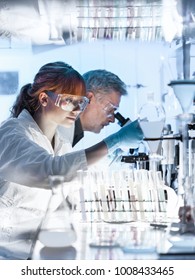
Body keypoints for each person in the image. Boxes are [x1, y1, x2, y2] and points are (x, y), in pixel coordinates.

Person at [0, 61, 143, 259]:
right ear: (43, 99)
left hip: (34, 255)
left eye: (80, 102)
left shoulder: (60, 142)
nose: (76, 109)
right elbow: (52, 172)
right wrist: (114, 141)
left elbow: (72, 185)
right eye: (68, 101)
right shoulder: (11, 133)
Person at [72, 69, 128, 147]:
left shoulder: (74, 133)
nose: (112, 120)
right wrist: (114, 142)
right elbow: (59, 160)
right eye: (110, 109)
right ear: (88, 98)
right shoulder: (58, 130)